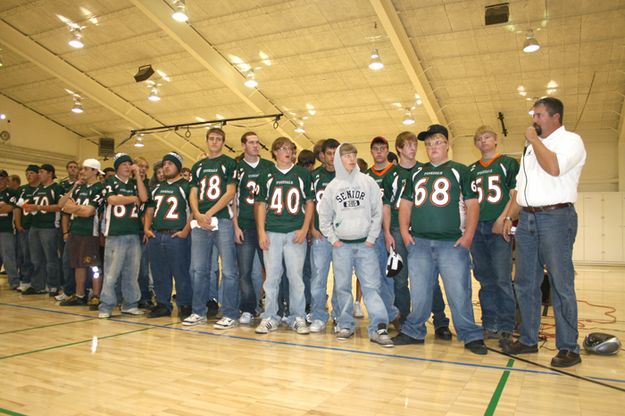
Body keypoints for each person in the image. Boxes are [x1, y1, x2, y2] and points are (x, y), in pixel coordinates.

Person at [502, 97, 586, 368]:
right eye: (533, 115)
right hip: (526, 220)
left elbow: (554, 168)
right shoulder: (529, 149)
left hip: (556, 217)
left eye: (538, 115)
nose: (534, 120)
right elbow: (520, 190)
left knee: (561, 284)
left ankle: (568, 348)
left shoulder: (571, 141)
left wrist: (533, 140)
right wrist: (508, 217)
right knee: (525, 283)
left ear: (555, 118)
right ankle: (527, 339)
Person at [392, 124, 487, 355]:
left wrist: (468, 236)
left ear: (447, 145)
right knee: (420, 292)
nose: (432, 147)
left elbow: (472, 205)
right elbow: (405, 204)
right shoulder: (416, 173)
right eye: (429, 144)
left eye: (437, 142)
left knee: (458, 291)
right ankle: (414, 330)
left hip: (452, 244)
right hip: (420, 243)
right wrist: (405, 233)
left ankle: (470, 334)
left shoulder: (460, 171)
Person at [318, 143, 393, 347]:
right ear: (338, 160)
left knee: (371, 287)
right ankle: (345, 323)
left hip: (365, 245)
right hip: (342, 246)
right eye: (346, 156)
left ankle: (379, 326)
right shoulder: (333, 187)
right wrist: (333, 239)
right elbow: (323, 217)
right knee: (342, 287)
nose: (350, 159)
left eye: (353, 155)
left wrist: (371, 237)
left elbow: (378, 212)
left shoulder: (368, 182)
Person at [254, 137, 313, 335]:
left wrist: (305, 229)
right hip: (272, 231)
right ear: (275, 152)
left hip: (295, 230)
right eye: (282, 148)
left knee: (295, 277)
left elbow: (309, 203)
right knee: (271, 277)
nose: (287, 152)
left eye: (290, 148)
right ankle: (270, 316)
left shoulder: (303, 174)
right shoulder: (266, 175)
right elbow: (261, 205)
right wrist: (261, 232)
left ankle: (297, 317)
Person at [184, 127, 240, 329]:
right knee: (199, 269)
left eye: (218, 139)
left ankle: (230, 313)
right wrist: (198, 214)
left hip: (222, 220)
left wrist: (210, 213)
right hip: (200, 222)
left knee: (229, 270)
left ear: (223, 142)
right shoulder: (198, 166)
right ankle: (198, 311)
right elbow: (193, 193)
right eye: (211, 139)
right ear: (206, 141)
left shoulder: (229, 163)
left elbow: (230, 192)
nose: (215, 142)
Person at [468, 126, 519, 342]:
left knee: (502, 278)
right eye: (479, 139)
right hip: (477, 228)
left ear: (495, 140)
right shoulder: (471, 169)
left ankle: (507, 324)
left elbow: (516, 194)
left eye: (487, 137)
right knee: (484, 279)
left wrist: (505, 218)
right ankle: (489, 323)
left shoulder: (507, 163)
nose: (483, 141)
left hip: (498, 227)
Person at [144, 152, 193, 320]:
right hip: (157, 235)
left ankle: (184, 304)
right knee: (159, 272)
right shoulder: (156, 187)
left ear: (178, 167)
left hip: (176, 235)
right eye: (164, 164)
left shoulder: (186, 186)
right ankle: (163, 304)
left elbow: (194, 211)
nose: (166, 166)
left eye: (170, 164)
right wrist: (146, 228)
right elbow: (149, 209)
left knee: (181, 273)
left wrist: (186, 230)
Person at [98, 153, 148, 318]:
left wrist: (138, 177)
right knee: (112, 272)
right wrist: (131, 198)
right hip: (115, 234)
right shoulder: (111, 182)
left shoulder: (134, 184)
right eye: (124, 164)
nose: (128, 167)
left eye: (129, 164)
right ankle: (106, 306)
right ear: (117, 166)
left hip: (133, 233)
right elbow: (112, 199)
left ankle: (130, 303)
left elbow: (144, 197)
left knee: (131, 272)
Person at [232, 132, 273, 325]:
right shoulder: (238, 168)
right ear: (243, 146)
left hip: (266, 227)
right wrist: (235, 226)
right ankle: (248, 308)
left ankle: (273, 306)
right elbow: (233, 199)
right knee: (245, 271)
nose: (256, 145)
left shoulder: (268, 166)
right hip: (246, 225)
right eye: (251, 142)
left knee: (272, 270)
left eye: (257, 142)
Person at [57, 159, 105, 308]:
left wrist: (74, 208)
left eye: (85, 169)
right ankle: (79, 295)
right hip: (76, 230)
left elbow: (89, 212)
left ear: (95, 171)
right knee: (78, 264)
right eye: (82, 168)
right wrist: (75, 187)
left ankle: (96, 295)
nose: (82, 171)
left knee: (94, 265)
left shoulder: (100, 188)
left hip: (91, 232)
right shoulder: (78, 188)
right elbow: (62, 205)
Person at [366, 136, 400, 327]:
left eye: (382, 148)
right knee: (376, 275)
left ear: (387, 150)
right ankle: (384, 314)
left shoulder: (396, 172)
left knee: (394, 275)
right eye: (375, 149)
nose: (379, 152)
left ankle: (394, 312)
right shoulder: (365, 176)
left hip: (393, 228)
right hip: (373, 230)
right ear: (371, 152)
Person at [308, 138, 340, 332]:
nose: (332, 157)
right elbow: (310, 204)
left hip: (341, 236)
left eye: (336, 153)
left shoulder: (347, 177)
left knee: (341, 278)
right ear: (323, 155)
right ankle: (319, 315)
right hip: (320, 235)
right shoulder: (314, 176)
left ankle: (339, 316)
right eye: (329, 153)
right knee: (318, 277)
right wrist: (312, 227)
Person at [23, 164, 63, 296]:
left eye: (42, 171)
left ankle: (53, 285)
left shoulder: (56, 188)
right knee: (36, 258)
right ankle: (38, 285)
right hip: (35, 226)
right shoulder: (37, 189)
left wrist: (39, 207)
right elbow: (28, 204)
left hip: (49, 227)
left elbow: (59, 206)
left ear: (50, 174)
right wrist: (27, 207)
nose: (39, 174)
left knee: (51, 257)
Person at [14, 165, 40, 292]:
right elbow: (17, 208)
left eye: (31, 173)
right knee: (25, 255)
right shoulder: (22, 190)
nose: (29, 175)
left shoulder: (42, 189)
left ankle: (38, 281)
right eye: (27, 173)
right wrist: (18, 224)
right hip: (25, 228)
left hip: (38, 227)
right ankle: (25, 280)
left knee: (37, 256)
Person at [0, 169, 19, 290]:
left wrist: (6, 207)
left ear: (7, 180)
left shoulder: (11, 192)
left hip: (6, 229)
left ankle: (14, 281)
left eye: (2, 179)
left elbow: (9, 208)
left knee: (8, 256)